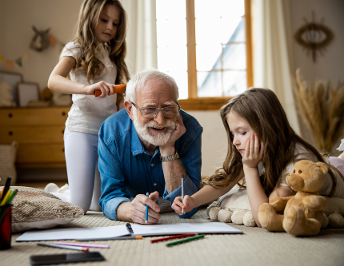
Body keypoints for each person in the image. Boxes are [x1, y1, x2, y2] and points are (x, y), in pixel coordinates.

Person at [172, 88, 344, 227]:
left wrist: (250, 168)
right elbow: (224, 183)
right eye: (233, 134)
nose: (235, 142)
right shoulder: (257, 148)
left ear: (269, 126)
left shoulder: (296, 164)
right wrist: (192, 201)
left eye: (242, 132)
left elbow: (265, 217)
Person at [47, 0, 129, 213]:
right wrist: (86, 88)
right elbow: (53, 80)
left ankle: (68, 190)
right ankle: (52, 193)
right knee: (79, 206)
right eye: (104, 20)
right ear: (90, 17)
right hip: (81, 130)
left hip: (106, 135)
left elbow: (118, 100)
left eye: (115, 23)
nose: (110, 27)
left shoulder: (113, 54)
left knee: (100, 205)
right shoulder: (76, 47)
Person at [98, 69, 203, 224]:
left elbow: (188, 208)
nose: (160, 120)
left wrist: (167, 147)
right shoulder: (111, 132)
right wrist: (130, 210)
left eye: (168, 108)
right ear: (130, 110)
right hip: (132, 196)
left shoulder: (191, 129)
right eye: (149, 109)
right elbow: (109, 196)